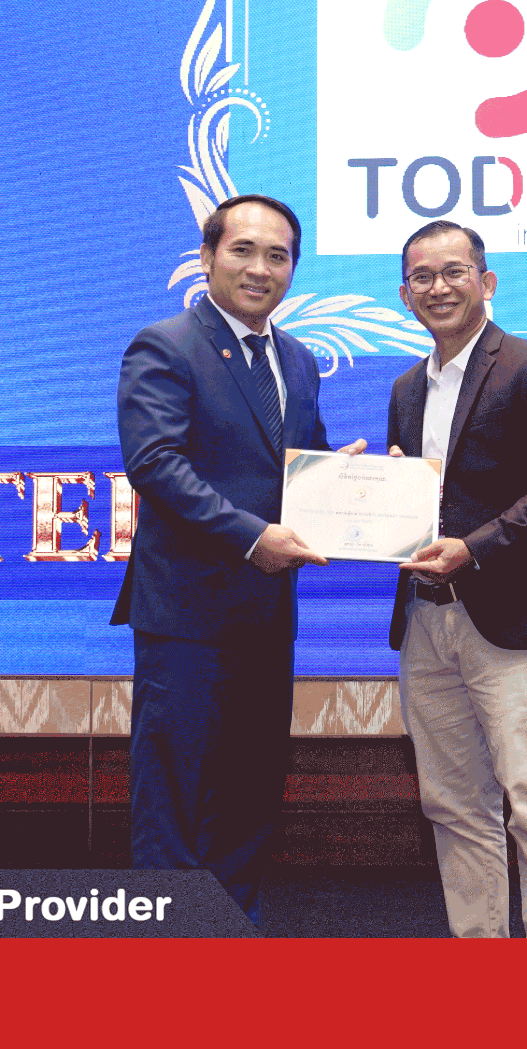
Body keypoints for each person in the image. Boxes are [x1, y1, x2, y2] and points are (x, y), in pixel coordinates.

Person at [112, 193, 363, 925]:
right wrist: (254, 537)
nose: (260, 268)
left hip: (266, 610)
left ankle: (229, 931)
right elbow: (156, 463)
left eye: (277, 256)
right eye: (243, 250)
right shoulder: (165, 345)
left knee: (252, 784)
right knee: (176, 787)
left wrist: (347, 482)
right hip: (186, 611)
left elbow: (298, 467)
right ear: (207, 257)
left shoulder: (297, 359)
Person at [385, 218, 527, 937]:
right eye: (421, 276)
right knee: (452, 805)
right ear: (404, 293)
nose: (438, 287)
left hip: (510, 616)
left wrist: (473, 549)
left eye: (454, 272)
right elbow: (419, 499)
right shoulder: (406, 387)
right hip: (424, 617)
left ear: (486, 281)